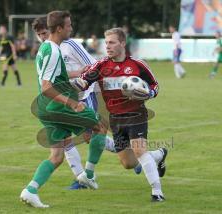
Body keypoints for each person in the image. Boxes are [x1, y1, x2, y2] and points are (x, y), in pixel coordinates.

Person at [20, 11, 108, 208]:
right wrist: (73, 104)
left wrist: (78, 72)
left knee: (57, 156)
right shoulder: (53, 51)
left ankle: (31, 190)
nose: (71, 28)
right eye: (68, 25)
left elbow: (54, 74)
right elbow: (47, 87)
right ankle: (88, 176)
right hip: (59, 105)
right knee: (100, 127)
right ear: (59, 28)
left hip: (45, 108)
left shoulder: (46, 48)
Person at [72, 28, 168, 202]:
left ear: (123, 43)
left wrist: (149, 94)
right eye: (106, 42)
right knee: (128, 163)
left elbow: (155, 86)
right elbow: (84, 81)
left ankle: (157, 192)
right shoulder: (101, 66)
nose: (107, 46)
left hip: (136, 115)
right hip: (115, 119)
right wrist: (74, 84)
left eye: (112, 42)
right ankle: (159, 154)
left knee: (139, 150)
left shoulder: (137, 65)